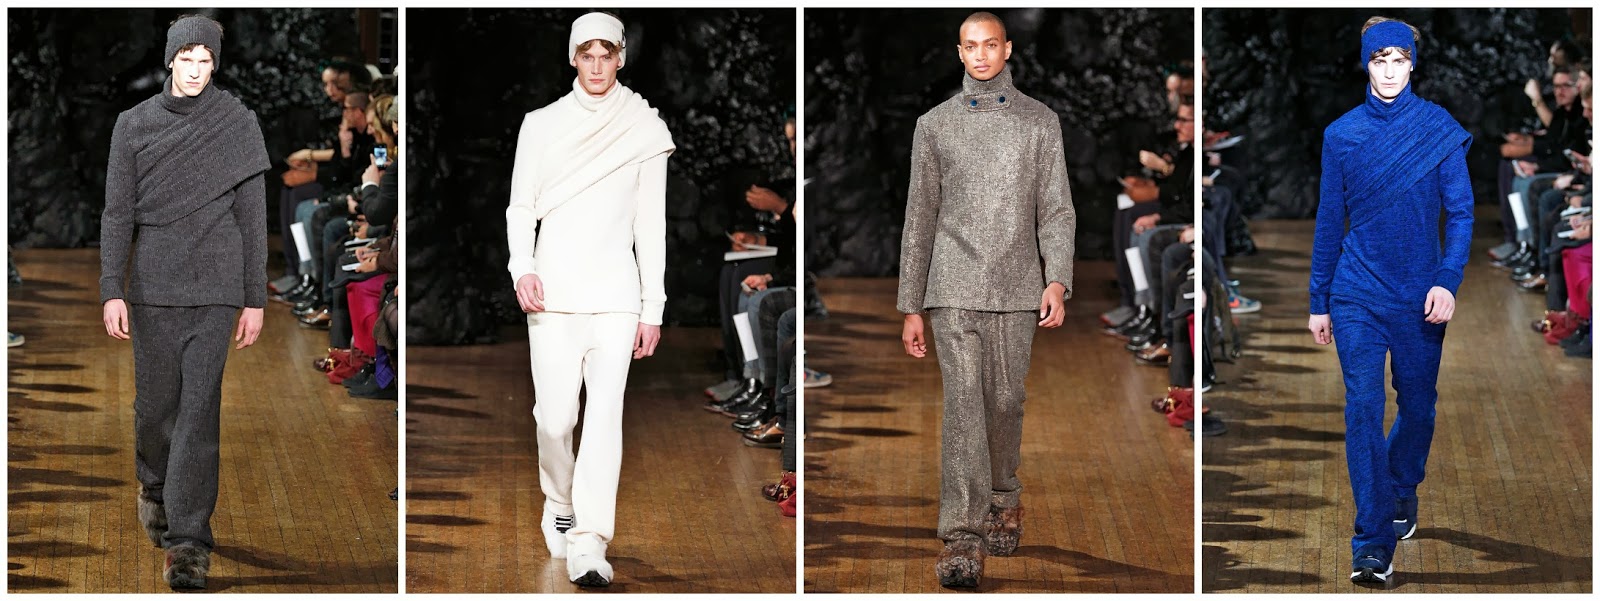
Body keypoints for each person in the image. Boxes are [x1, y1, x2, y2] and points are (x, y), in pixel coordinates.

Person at [897, 11, 1075, 589]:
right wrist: (911, 304)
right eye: (971, 46)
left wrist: (1057, 278)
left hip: (1018, 284)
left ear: (1008, 49)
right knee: (964, 407)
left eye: (990, 45)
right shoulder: (935, 125)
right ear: (959, 52)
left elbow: (1056, 208)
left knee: (1004, 402)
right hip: (951, 286)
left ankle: (1004, 496)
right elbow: (919, 218)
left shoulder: (1039, 122)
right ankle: (962, 536)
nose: (980, 55)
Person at [98, 14, 269, 590]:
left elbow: (253, 216)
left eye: (206, 61)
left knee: (198, 413)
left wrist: (254, 297)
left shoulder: (236, 123)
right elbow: (117, 212)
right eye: (187, 59)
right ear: (170, 59)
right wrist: (111, 288)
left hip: (217, 287)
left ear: (216, 65)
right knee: (155, 411)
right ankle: (154, 485)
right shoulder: (134, 124)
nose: (196, 71)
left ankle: (189, 541)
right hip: (153, 286)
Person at [504, 12, 674, 588]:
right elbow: (521, 206)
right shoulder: (541, 125)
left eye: (608, 55)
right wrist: (522, 267)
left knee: (604, 417)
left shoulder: (645, 128)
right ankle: (559, 498)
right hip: (552, 291)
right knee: (555, 419)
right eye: (587, 55)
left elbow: (651, 225)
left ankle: (590, 539)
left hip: (616, 295)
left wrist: (653, 307)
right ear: (573, 58)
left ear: (621, 57)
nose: (597, 67)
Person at [1307, 16, 1473, 585]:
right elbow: (1329, 219)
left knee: (1418, 406)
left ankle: (1402, 486)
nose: (1390, 71)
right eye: (1380, 60)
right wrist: (1319, 299)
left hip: (1420, 292)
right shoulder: (1342, 135)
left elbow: (1462, 212)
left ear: (1412, 64)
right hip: (1356, 291)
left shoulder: (1437, 130)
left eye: (1399, 60)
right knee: (1362, 408)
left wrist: (1447, 279)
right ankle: (1372, 541)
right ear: (1366, 63)